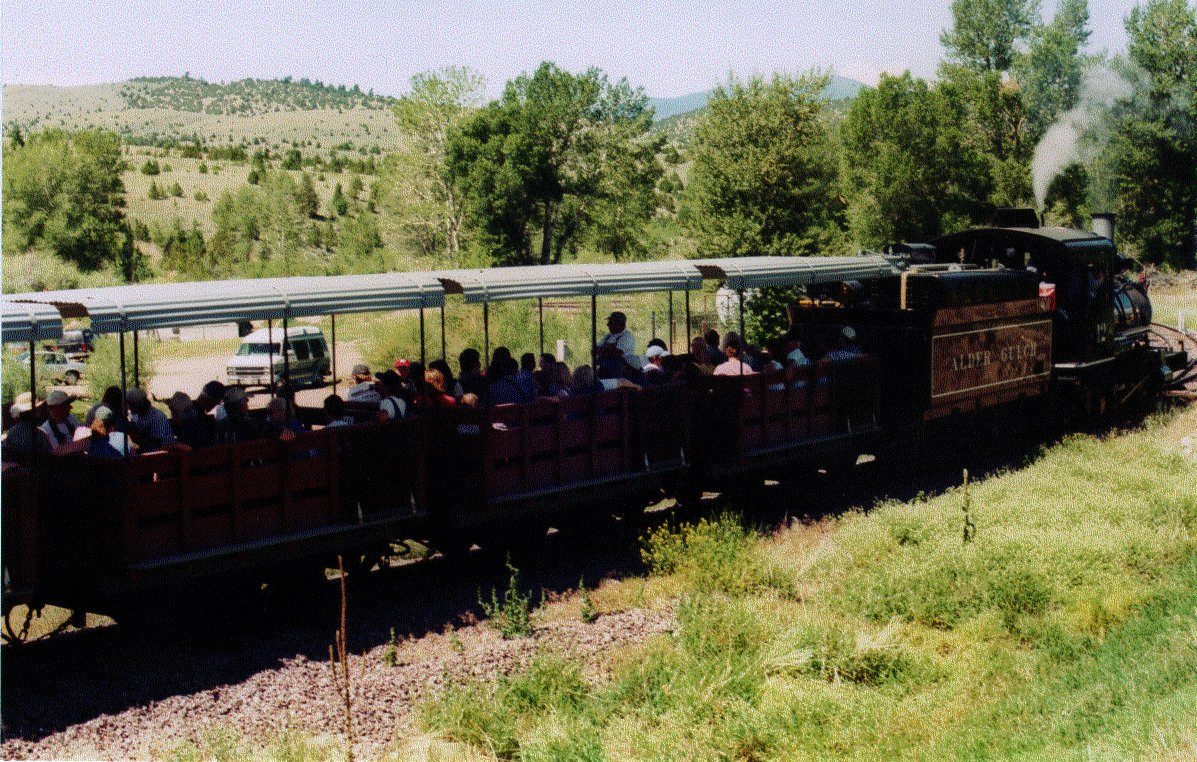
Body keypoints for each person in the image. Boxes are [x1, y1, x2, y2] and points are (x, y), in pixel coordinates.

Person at [595, 311, 642, 377]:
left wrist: (603, 351)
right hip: (605, 369)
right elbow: (594, 350)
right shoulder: (608, 336)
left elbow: (618, 353)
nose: (607, 325)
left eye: (610, 323)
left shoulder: (627, 336)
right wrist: (608, 350)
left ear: (620, 324)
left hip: (621, 372)